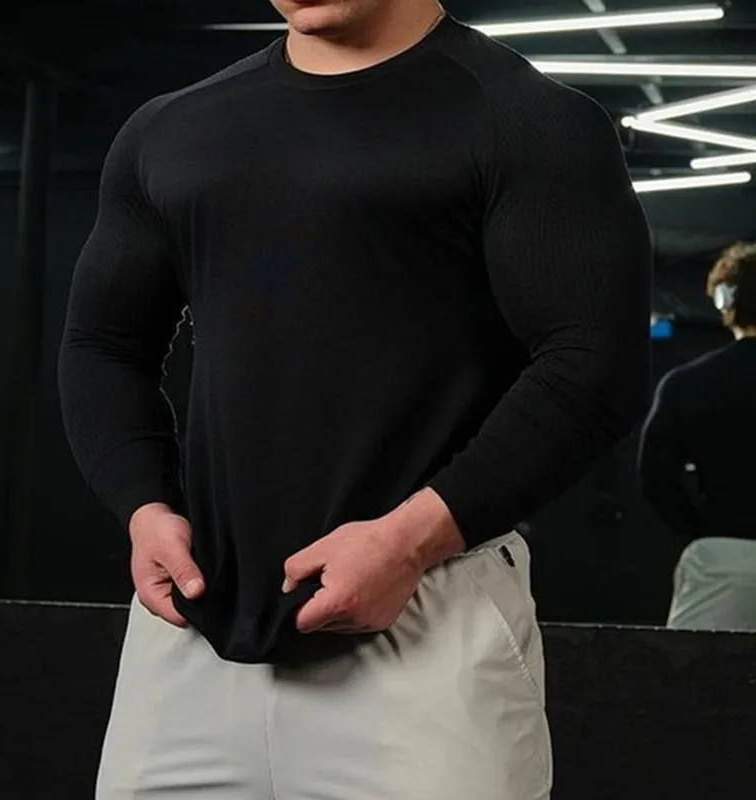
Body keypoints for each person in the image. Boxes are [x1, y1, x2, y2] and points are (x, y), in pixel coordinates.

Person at [57, 1, 652, 798]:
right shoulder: (173, 129)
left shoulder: (527, 120)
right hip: (191, 633)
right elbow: (103, 345)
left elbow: (594, 365)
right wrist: (142, 508)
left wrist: (411, 540)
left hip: (425, 625)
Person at [638, 242, 756, 631]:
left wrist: (701, 529)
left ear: (726, 301)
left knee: (692, 666)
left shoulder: (687, 384)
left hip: (721, 559)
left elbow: (654, 476)